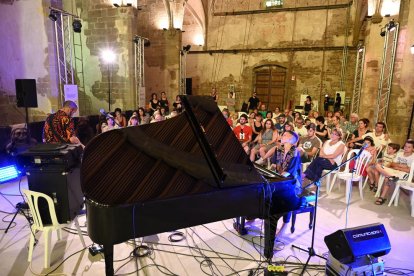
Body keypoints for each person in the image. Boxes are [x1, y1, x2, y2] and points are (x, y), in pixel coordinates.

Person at [374, 140, 414, 205]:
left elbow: (409, 170)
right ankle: (391, 176)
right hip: (394, 171)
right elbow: (392, 164)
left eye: (409, 147)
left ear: (413, 149)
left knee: (387, 178)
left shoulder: (413, 157)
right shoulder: (400, 154)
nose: (406, 148)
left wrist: (398, 166)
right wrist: (403, 166)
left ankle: (382, 197)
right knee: (377, 165)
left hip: (404, 174)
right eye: (405, 146)